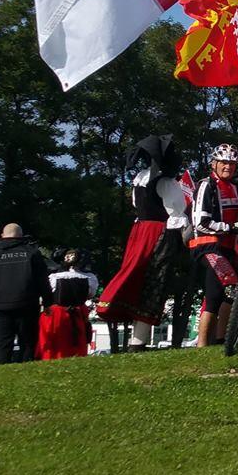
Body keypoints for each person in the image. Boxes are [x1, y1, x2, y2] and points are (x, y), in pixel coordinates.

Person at [100, 136, 190, 349]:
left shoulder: (140, 179)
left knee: (137, 277)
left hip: (139, 232)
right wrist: (187, 236)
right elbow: (176, 214)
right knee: (154, 282)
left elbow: (137, 205)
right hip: (159, 233)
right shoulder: (167, 183)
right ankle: (138, 341)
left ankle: (135, 339)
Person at [190, 144, 238, 348]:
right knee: (215, 291)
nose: (228, 167)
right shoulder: (206, 185)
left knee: (230, 291)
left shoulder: (236, 187)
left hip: (229, 246)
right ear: (214, 163)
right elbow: (200, 222)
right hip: (207, 245)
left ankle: (222, 339)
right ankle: (202, 344)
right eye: (224, 163)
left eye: (232, 164)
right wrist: (230, 227)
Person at [0, 224, 49, 364]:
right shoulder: (32, 253)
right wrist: (47, 302)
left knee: (3, 342)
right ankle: (26, 368)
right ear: (21, 236)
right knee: (27, 342)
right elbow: (42, 280)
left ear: (2, 236)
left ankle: (3, 370)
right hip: (27, 303)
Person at [39, 250, 100, 360]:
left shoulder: (53, 277)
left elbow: (45, 295)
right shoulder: (89, 278)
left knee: (56, 343)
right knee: (76, 341)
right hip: (78, 314)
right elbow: (90, 295)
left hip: (56, 315)